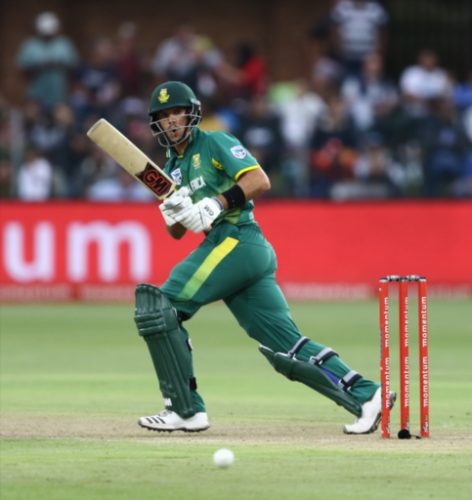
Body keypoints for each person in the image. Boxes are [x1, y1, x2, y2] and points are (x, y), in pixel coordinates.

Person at [133, 80, 393, 435]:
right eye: (164, 116)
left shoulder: (214, 142)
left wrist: (217, 203)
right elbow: (178, 232)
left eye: (177, 112)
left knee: (159, 307)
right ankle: (367, 395)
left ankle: (184, 410)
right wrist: (173, 215)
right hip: (234, 252)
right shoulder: (171, 167)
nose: (171, 121)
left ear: (192, 114)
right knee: (284, 347)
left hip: (237, 238)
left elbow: (259, 179)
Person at [16, 11, 79, 108]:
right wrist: (39, 65)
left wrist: (59, 64)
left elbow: (74, 66)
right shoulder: (30, 45)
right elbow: (22, 68)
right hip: (35, 95)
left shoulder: (64, 44)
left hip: (59, 94)